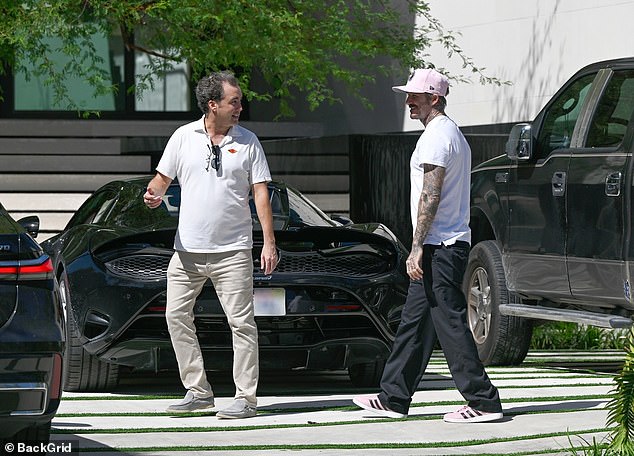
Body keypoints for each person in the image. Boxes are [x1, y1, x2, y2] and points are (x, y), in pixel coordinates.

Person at [353, 68, 503, 423]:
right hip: (441, 244)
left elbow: (430, 195)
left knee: (450, 323)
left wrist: (416, 246)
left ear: (434, 98)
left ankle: (483, 401)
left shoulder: (439, 136)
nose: (408, 102)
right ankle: (393, 398)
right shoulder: (446, 133)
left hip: (440, 246)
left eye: (414, 96)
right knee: (414, 323)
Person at [143, 71, 278, 419]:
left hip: (233, 250)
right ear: (213, 104)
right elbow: (163, 178)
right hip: (186, 251)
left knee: (241, 323)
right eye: (234, 101)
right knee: (175, 316)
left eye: (240, 101)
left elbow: (260, 192)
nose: (240, 107)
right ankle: (198, 392)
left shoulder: (249, 141)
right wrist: (154, 193)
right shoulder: (182, 137)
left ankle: (245, 398)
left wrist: (269, 242)